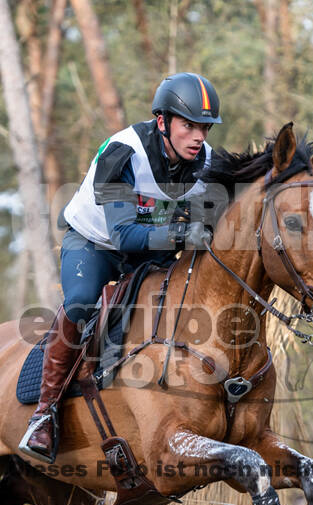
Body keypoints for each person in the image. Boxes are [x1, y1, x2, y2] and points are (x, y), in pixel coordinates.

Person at [20, 72, 222, 463]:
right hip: (96, 242)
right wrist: (184, 235)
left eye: (205, 128)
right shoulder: (123, 151)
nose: (198, 137)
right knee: (80, 303)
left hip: (150, 250)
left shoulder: (205, 163)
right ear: (162, 122)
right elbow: (125, 235)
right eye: (189, 126)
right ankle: (44, 414)